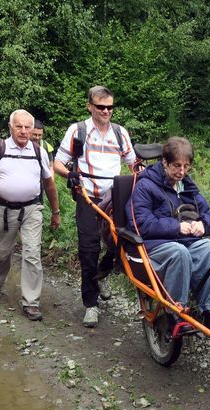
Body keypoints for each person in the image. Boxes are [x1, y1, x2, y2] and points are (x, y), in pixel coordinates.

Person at [127, 137, 210, 336]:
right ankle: (175, 315)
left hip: (185, 242)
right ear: (164, 162)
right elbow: (140, 223)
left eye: (186, 166)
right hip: (155, 246)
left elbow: (209, 215)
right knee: (179, 253)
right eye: (177, 165)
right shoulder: (145, 185)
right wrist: (178, 227)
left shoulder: (187, 186)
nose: (182, 171)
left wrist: (203, 224)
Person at [53, 86, 136, 328]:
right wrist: (69, 174)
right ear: (90, 106)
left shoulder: (120, 133)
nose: (106, 111)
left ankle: (101, 275)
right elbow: (57, 162)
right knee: (88, 249)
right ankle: (91, 304)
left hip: (115, 197)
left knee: (120, 244)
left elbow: (133, 164)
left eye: (110, 107)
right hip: (87, 196)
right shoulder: (77, 130)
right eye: (101, 107)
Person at [0, 109, 60, 321]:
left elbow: (49, 184)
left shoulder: (39, 151)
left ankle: (31, 302)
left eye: (27, 127)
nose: (23, 131)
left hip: (32, 209)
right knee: (2, 253)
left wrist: (55, 212)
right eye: (19, 126)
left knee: (32, 253)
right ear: (10, 128)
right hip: (3, 209)